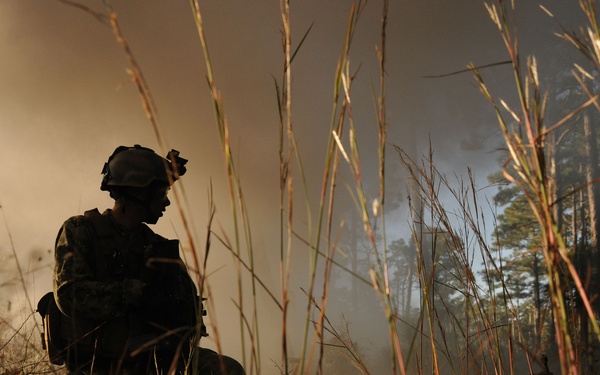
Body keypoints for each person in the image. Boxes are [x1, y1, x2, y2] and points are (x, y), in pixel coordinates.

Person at [50, 144, 245, 374]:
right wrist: (132, 293)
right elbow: (68, 294)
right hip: (98, 363)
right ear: (138, 191)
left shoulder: (159, 248)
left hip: (155, 361)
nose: (166, 202)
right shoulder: (81, 230)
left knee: (227, 370)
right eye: (161, 193)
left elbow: (189, 316)